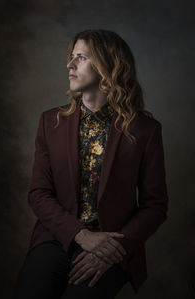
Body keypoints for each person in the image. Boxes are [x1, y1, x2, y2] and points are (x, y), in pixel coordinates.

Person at [12, 29, 168, 299]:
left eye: (81, 57)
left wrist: (112, 251)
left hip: (113, 245)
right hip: (56, 238)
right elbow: (39, 194)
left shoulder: (145, 130)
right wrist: (80, 235)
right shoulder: (51, 122)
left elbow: (155, 206)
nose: (70, 64)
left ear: (108, 65)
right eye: (71, 57)